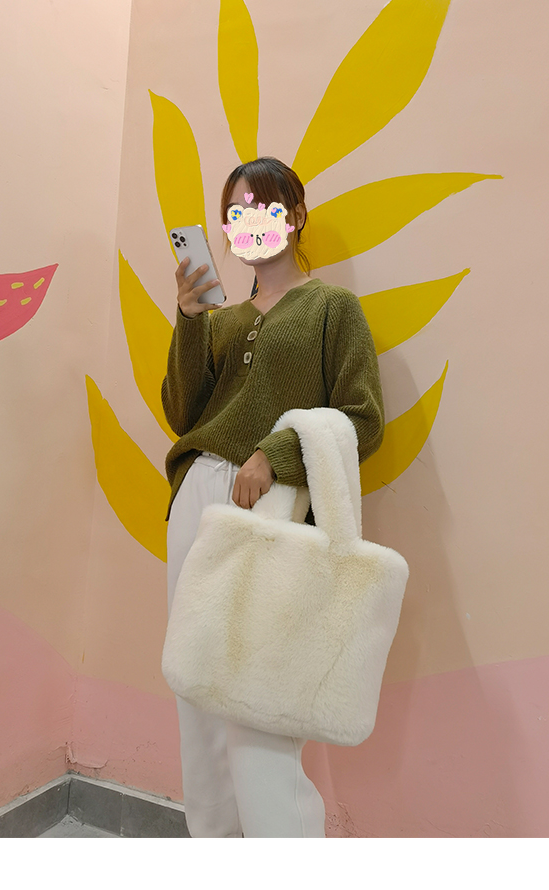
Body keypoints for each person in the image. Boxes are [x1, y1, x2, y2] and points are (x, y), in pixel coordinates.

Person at [161, 156, 385, 837]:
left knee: (259, 703)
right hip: (199, 494)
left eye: (263, 206)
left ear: (295, 214)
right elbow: (182, 412)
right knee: (195, 693)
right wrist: (189, 319)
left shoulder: (332, 308)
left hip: (272, 504)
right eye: (236, 212)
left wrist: (278, 453)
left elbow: (363, 418)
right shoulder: (220, 320)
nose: (249, 222)